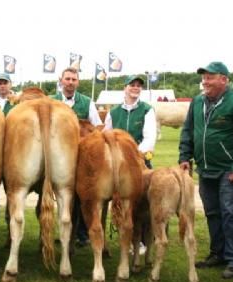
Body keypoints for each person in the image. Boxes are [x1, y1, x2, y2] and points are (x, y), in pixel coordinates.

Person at [179, 61, 233, 279]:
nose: (205, 82)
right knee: (212, 213)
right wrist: (184, 156)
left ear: (224, 79)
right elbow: (188, 131)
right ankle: (218, 253)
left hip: (228, 169)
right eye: (204, 77)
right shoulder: (197, 102)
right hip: (204, 169)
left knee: (231, 213)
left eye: (210, 77)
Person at [104, 75, 157, 255]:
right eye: (132, 85)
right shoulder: (114, 112)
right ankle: (124, 237)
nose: (135, 88)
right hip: (115, 164)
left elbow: (150, 137)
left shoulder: (147, 110)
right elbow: (106, 135)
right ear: (125, 88)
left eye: (138, 86)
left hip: (139, 161)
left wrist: (133, 155)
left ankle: (143, 240)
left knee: (141, 202)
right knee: (117, 201)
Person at [51, 67, 103, 247]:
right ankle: (61, 231)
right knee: (58, 194)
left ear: (78, 82)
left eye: (74, 79)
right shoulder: (51, 102)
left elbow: (97, 128)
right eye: (67, 79)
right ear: (61, 80)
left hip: (80, 157)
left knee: (81, 195)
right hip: (56, 157)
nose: (70, 82)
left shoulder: (87, 103)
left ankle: (81, 233)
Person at [0, 73, 15, 247]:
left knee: (12, 192)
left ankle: (11, 228)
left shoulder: (18, 102)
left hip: (13, 154)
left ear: (10, 84)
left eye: (5, 83)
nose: (2, 86)